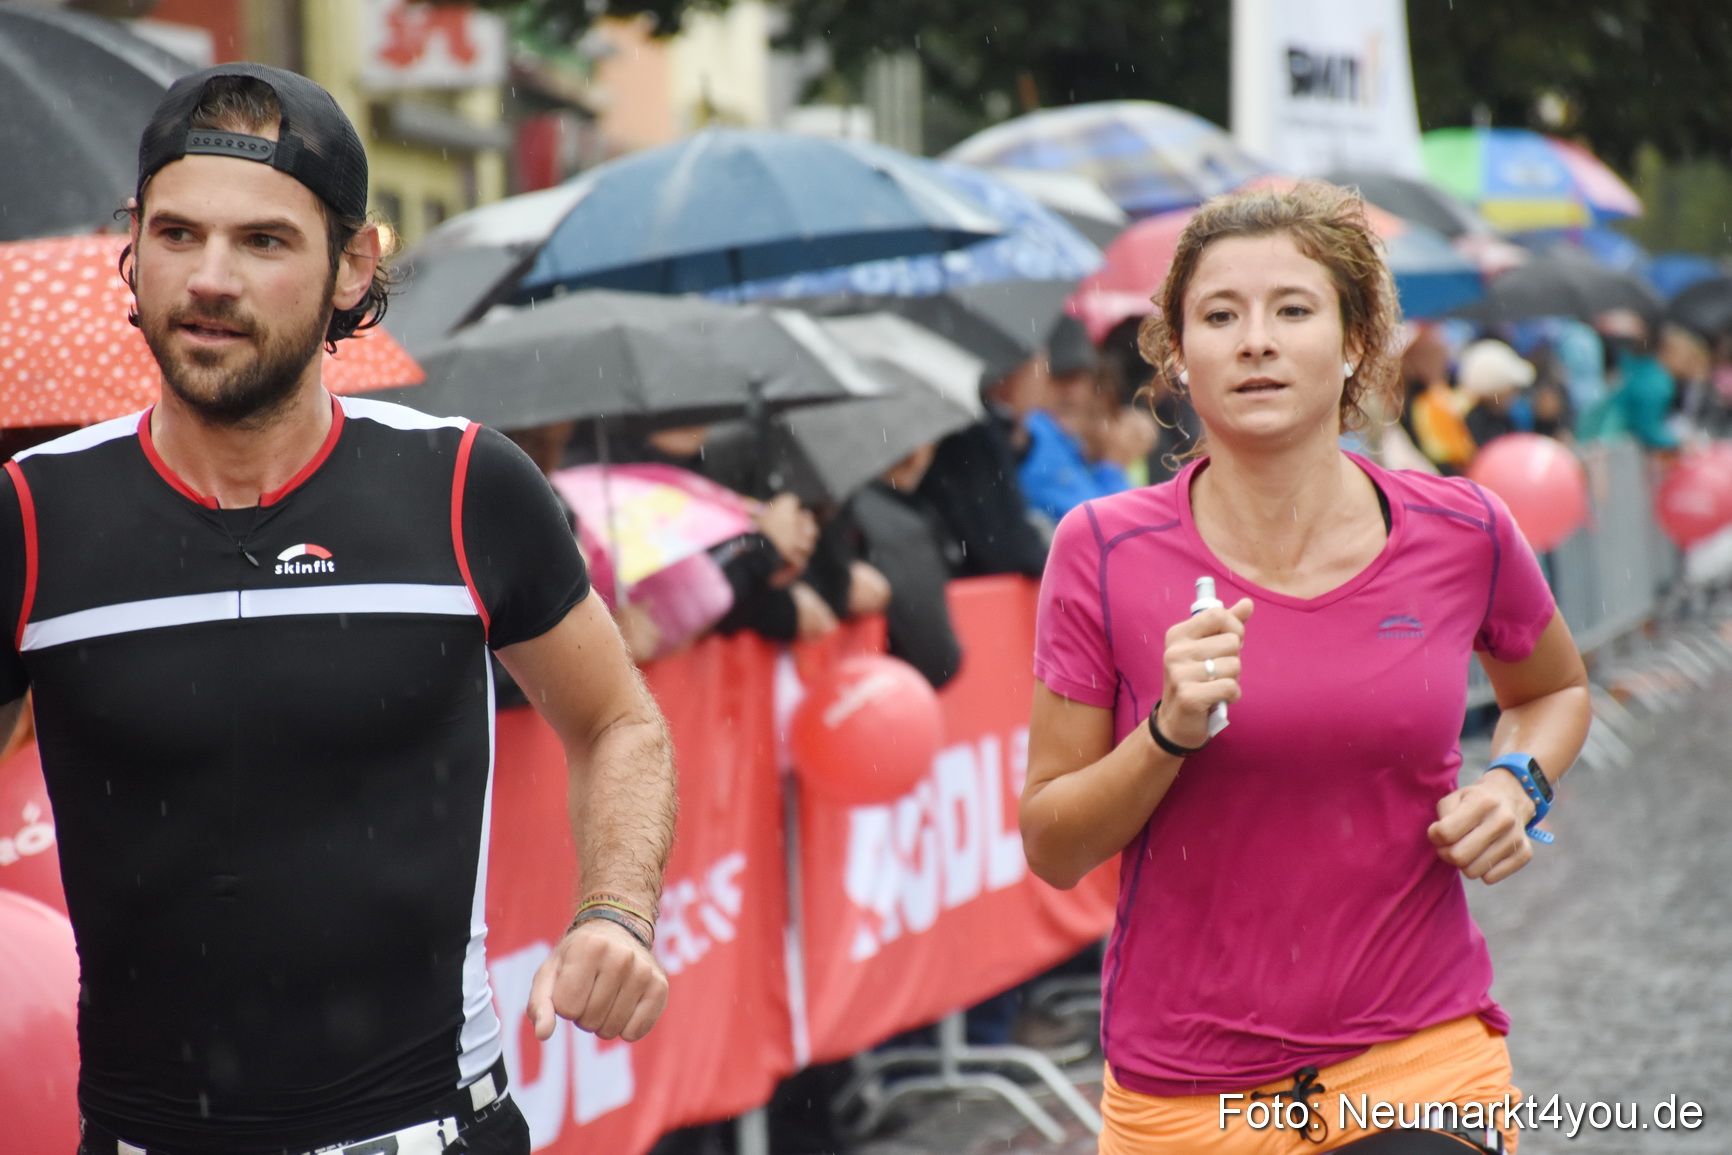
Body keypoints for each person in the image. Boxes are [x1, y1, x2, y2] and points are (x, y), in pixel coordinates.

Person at [0, 64, 675, 1155]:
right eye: (177, 234)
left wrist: (615, 911)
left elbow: (619, 720)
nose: (209, 279)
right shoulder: (32, 514)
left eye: (264, 242)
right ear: (134, 246)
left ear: (353, 265)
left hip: (427, 1131)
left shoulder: (463, 485)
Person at [1021, 181, 1592, 1154]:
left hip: (1417, 1063)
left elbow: (1552, 690)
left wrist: (1516, 780)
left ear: (1356, 343)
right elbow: (1053, 843)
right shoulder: (1101, 549)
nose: (1254, 340)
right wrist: (1164, 734)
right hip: (1189, 1092)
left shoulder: (1460, 530)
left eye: (1291, 310)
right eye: (1218, 316)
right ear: (1177, 355)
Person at [1457, 338, 1536, 447]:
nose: (1514, 395)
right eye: (1512, 389)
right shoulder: (1468, 423)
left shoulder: (1504, 420)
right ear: (1495, 388)